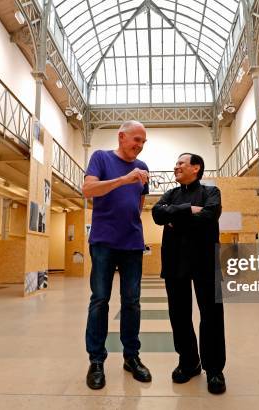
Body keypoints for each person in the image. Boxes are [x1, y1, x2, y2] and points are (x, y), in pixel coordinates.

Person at [83, 120, 151, 390]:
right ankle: (96, 361)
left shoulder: (143, 167)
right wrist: (124, 179)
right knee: (100, 300)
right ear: (121, 136)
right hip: (103, 242)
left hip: (132, 243)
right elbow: (88, 191)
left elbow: (140, 201)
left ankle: (131, 357)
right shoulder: (100, 157)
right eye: (136, 140)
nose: (140, 146)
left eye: (143, 142)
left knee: (132, 302)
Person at [151, 153, 227, 394]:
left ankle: (214, 370)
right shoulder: (170, 194)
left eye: (181, 163)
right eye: (176, 163)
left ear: (196, 168)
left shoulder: (211, 193)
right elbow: (157, 214)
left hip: (205, 262)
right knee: (179, 316)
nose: (176, 167)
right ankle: (189, 363)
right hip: (175, 263)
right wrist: (188, 209)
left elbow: (210, 215)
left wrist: (176, 218)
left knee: (212, 316)